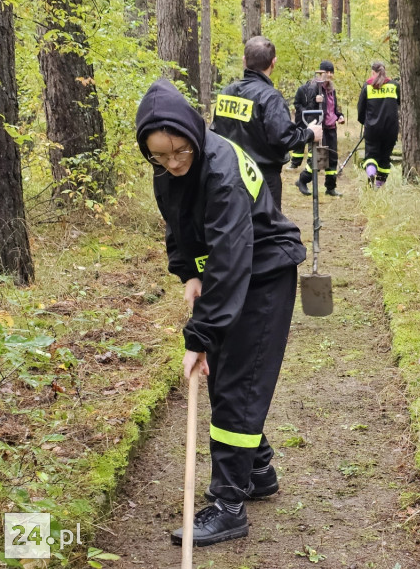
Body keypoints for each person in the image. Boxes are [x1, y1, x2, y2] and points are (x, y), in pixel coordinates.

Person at [135, 78, 306, 547]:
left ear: (193, 132)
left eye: (179, 152)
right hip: (235, 268)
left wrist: (199, 336)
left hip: (265, 271)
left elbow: (232, 259)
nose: (172, 162)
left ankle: (228, 505)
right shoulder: (166, 166)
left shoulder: (221, 169)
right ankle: (258, 470)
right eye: (160, 156)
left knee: (236, 381)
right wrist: (187, 270)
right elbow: (179, 221)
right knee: (233, 378)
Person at [212, 36, 323, 210]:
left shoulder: (227, 92)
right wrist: (310, 133)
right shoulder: (270, 97)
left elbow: (215, 135)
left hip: (228, 176)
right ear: (273, 62)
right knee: (267, 232)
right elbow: (284, 138)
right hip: (262, 179)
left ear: (244, 61)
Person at [293, 60, 345, 197]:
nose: (328, 75)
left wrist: (340, 116)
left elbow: (334, 109)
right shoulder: (314, 88)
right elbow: (308, 110)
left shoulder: (332, 90)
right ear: (320, 73)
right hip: (319, 127)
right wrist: (316, 102)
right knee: (318, 158)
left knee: (332, 157)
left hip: (331, 127)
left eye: (331, 72)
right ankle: (302, 181)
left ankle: (330, 187)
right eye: (326, 72)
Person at [356, 61, 400, 189]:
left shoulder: (367, 87)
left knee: (371, 155)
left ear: (373, 73)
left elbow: (361, 109)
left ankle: (371, 173)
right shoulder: (394, 86)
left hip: (372, 128)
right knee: (385, 158)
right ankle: (379, 186)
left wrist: (364, 122)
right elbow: (401, 102)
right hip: (390, 129)